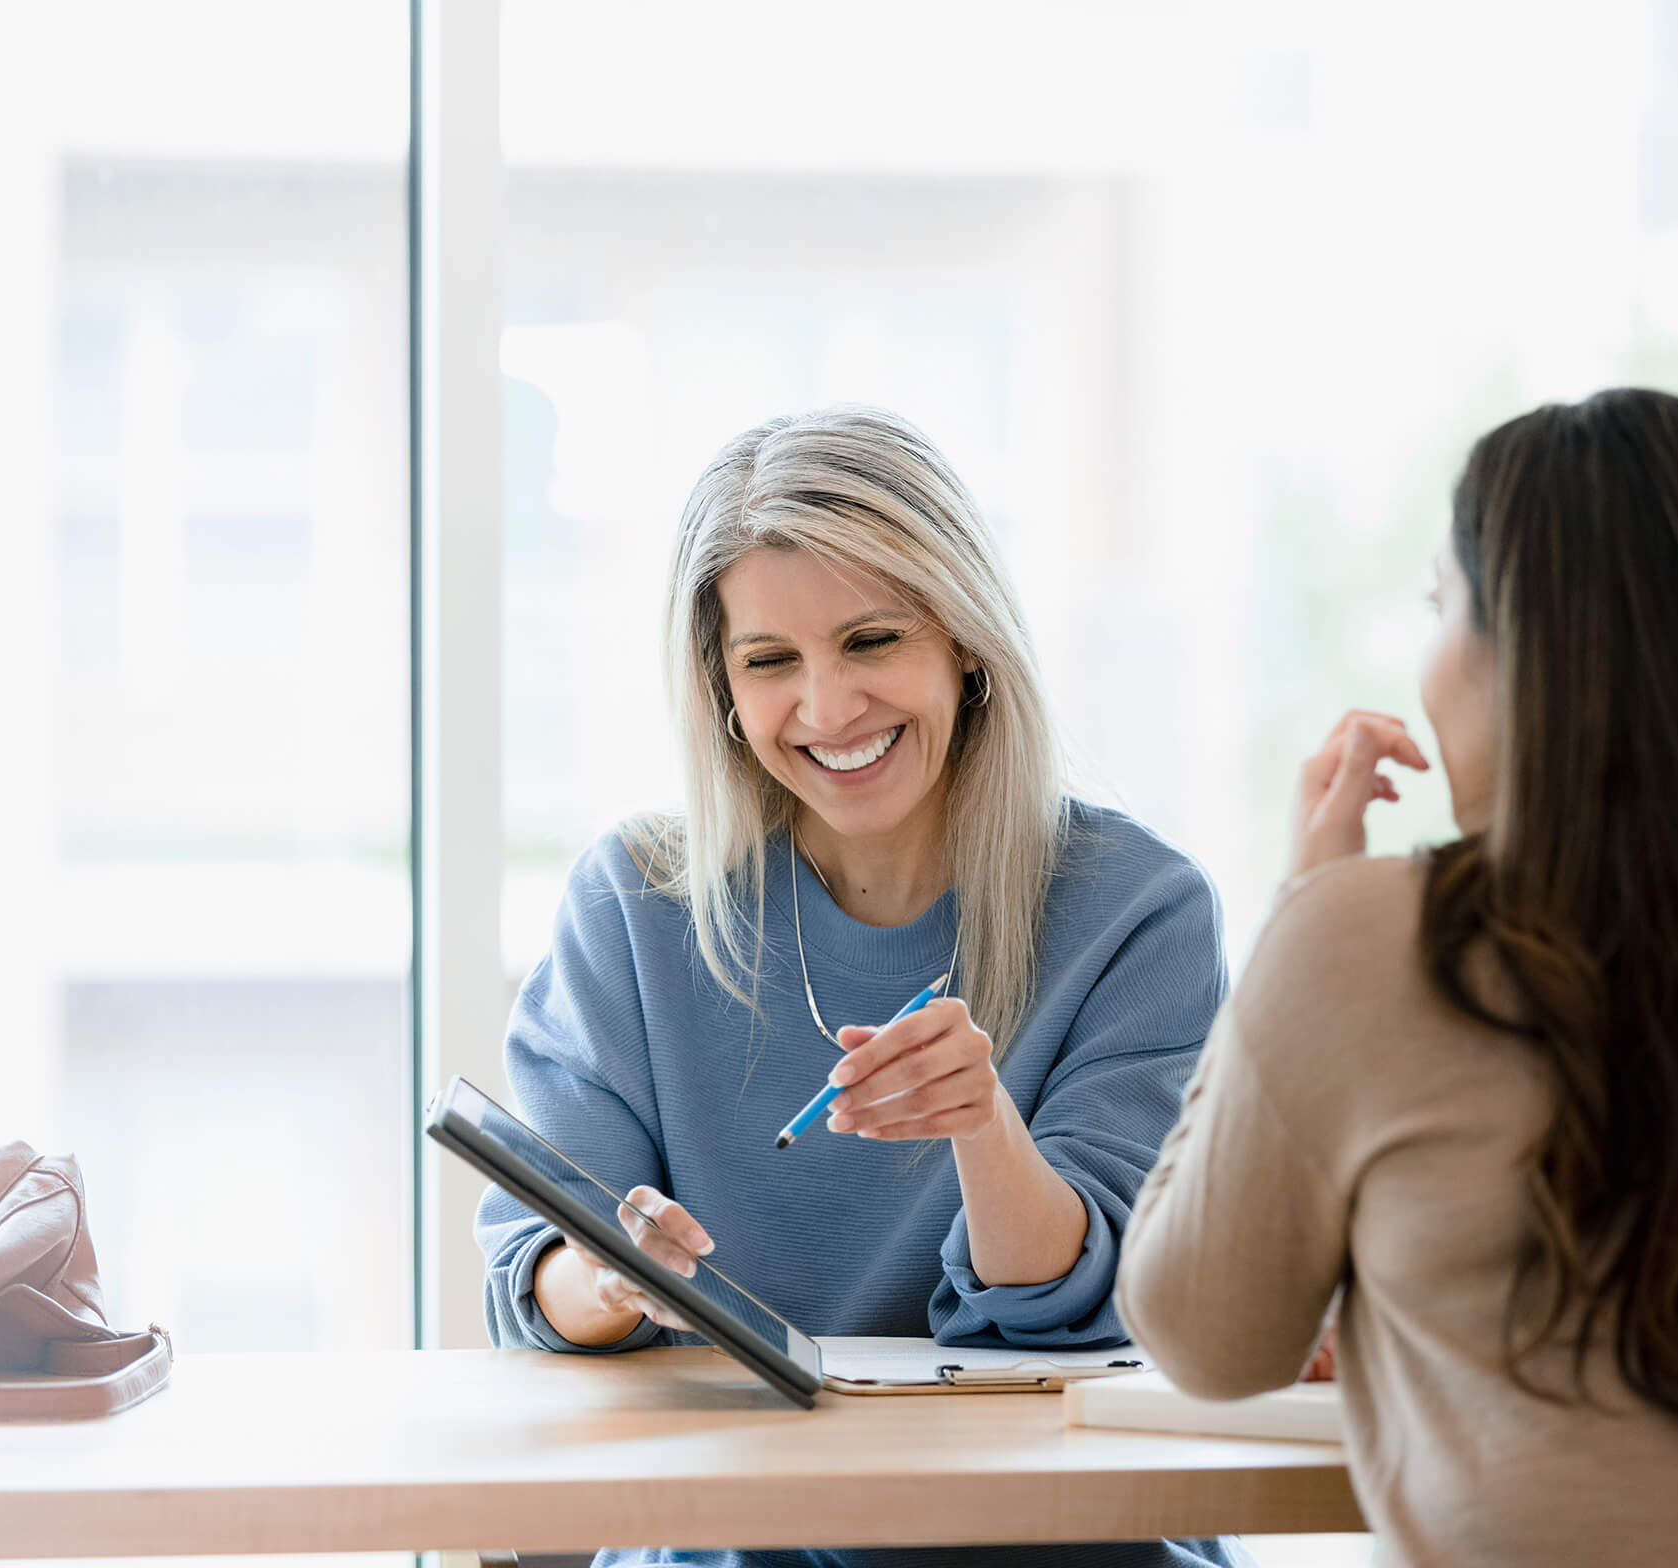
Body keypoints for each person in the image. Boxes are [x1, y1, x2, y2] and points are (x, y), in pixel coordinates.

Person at [1119, 388, 1678, 1566]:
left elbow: (1206, 1338)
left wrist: (1294, 922)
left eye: (1440, 605)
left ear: (1529, 649)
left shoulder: (1367, 942)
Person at [478, 405, 1249, 1568]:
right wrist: (610, 1272)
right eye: (771, 661)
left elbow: (1095, 1308)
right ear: (722, 691)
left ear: (966, 641)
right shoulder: (635, 905)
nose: (829, 709)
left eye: (874, 640)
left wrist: (984, 1124)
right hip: (731, 1547)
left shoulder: (1138, 909)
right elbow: (531, 1274)